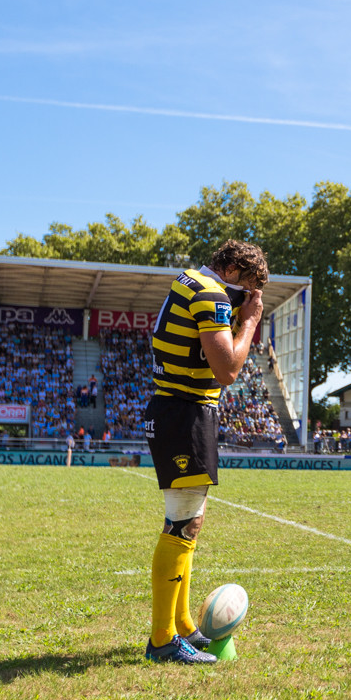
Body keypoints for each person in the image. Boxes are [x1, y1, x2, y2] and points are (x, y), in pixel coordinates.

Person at [142, 240, 267, 664]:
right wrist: (248, 322)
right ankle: (162, 639)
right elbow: (228, 369)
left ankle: (180, 627)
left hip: (178, 410)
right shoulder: (211, 292)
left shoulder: (188, 280)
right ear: (230, 270)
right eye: (244, 290)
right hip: (184, 413)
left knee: (188, 523)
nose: (242, 302)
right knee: (181, 524)